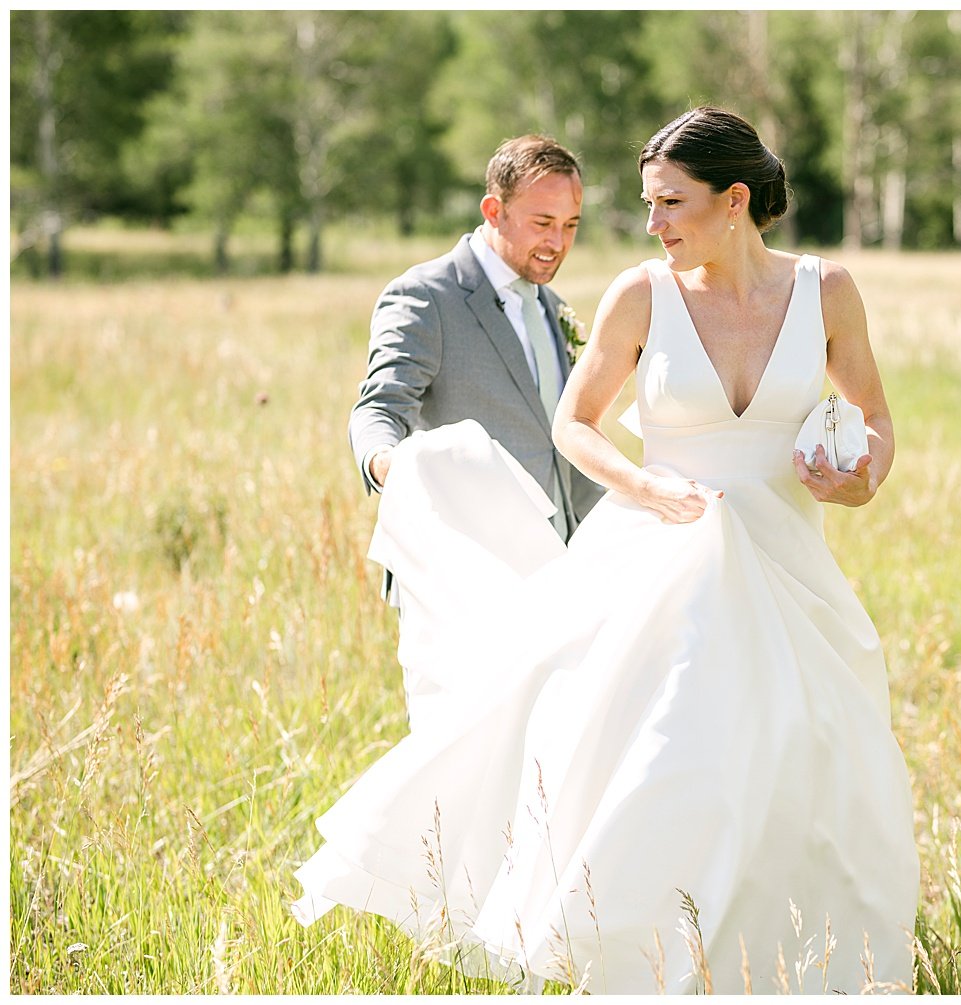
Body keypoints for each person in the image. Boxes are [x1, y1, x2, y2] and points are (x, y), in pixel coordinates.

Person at [293, 107, 919, 994]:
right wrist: (644, 485)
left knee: (808, 750)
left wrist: (861, 478)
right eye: (647, 204)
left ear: (734, 200)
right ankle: (640, 952)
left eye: (671, 203)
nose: (653, 223)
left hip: (789, 561)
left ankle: (793, 958)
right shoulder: (641, 294)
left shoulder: (829, 291)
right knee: (671, 749)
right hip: (667, 556)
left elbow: (877, 421)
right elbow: (574, 425)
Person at [349, 134, 605, 550]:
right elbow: (380, 407)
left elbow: (562, 441)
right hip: (464, 560)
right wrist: (386, 464)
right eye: (542, 223)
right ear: (494, 211)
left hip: (560, 561)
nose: (558, 243)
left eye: (570, 225)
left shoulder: (553, 307)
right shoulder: (425, 296)